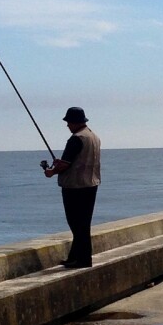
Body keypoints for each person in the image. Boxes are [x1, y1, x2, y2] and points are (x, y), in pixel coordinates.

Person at [44, 107, 101, 268]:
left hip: (75, 187)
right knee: (84, 223)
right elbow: (76, 161)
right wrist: (61, 164)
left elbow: (66, 165)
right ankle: (75, 257)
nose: (67, 125)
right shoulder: (94, 137)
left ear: (75, 122)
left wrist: (52, 171)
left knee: (76, 224)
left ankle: (83, 260)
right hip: (91, 185)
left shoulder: (76, 139)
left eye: (68, 122)